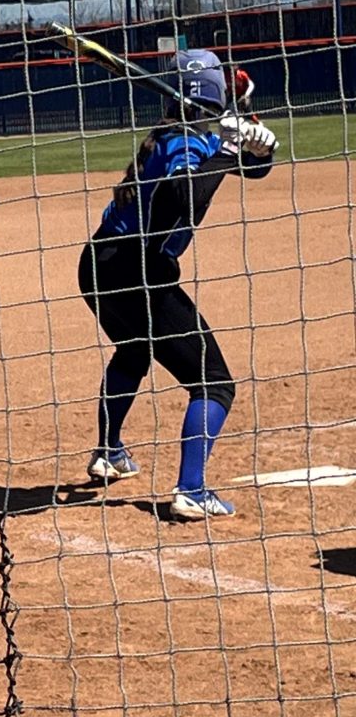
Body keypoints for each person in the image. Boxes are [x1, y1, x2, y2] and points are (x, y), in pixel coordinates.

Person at [78, 50, 277, 520]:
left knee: (133, 350)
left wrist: (260, 149)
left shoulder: (183, 137)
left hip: (100, 264)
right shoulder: (182, 145)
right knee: (213, 383)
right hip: (137, 271)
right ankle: (191, 488)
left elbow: (253, 170)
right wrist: (229, 149)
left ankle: (109, 451)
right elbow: (184, 197)